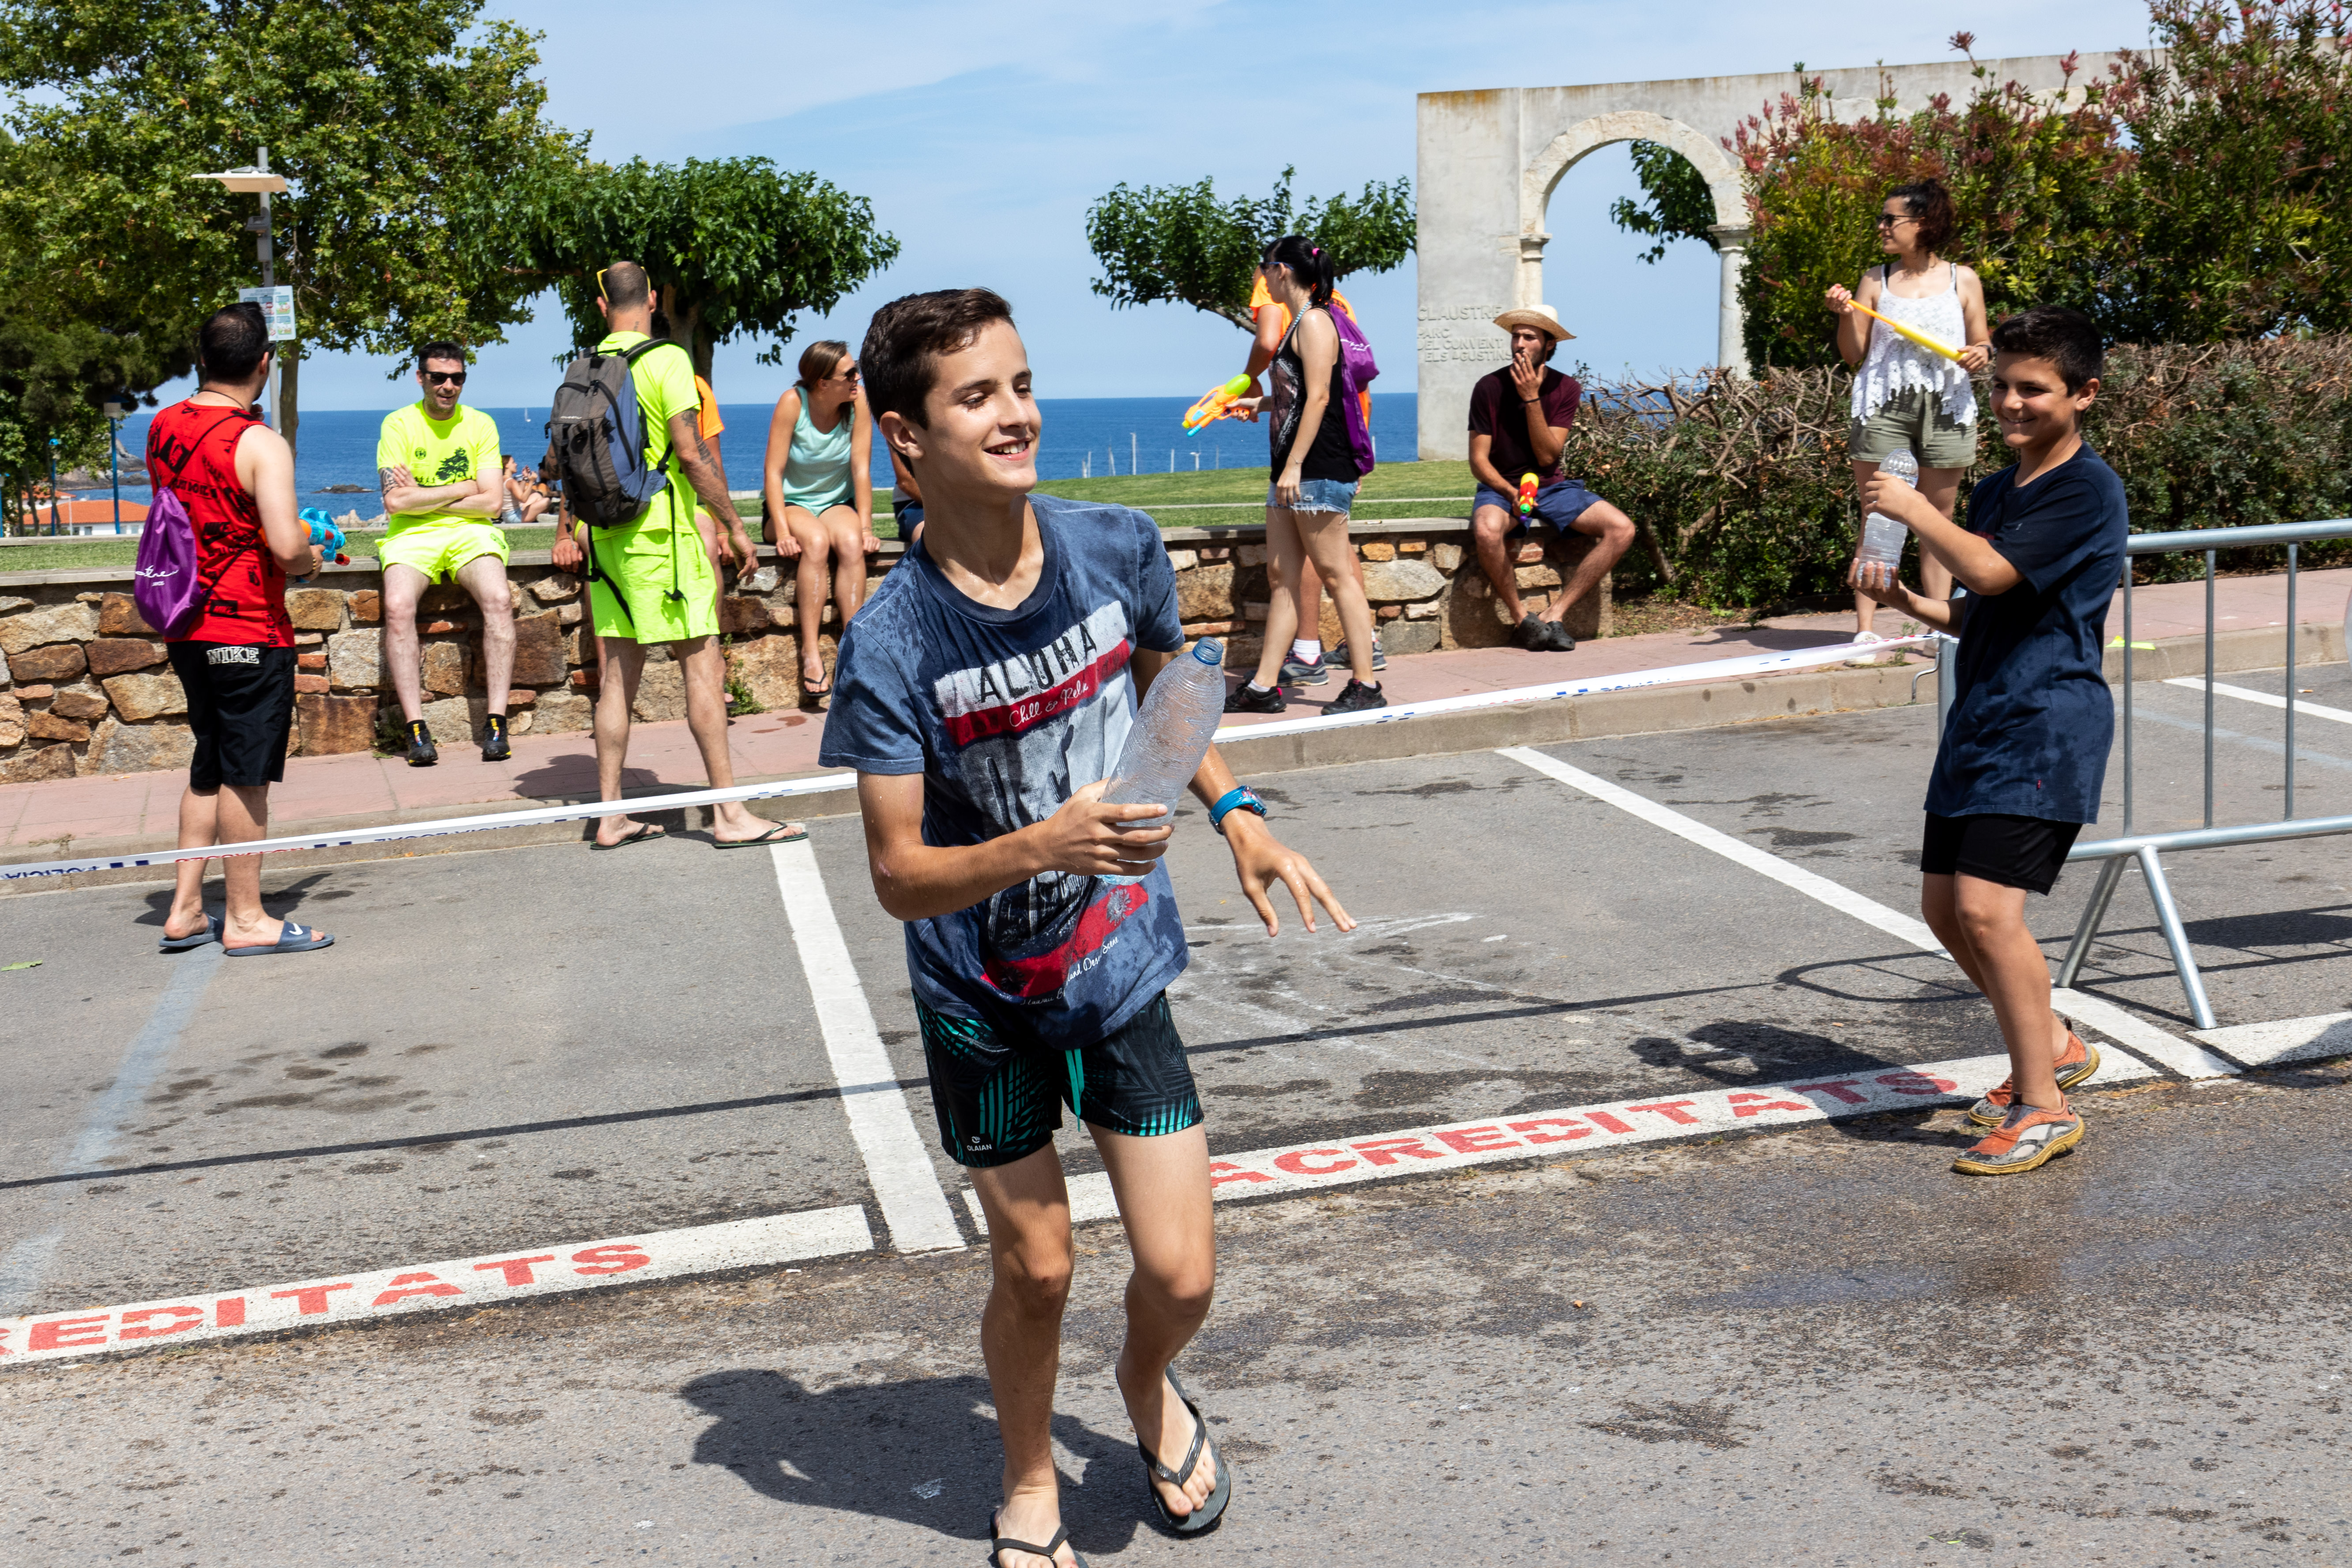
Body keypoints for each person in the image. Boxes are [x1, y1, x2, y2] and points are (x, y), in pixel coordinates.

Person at [822, 287, 1350, 1567]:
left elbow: (1170, 690)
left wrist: (1236, 810)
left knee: (1181, 1275)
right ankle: (1026, 1481)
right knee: (1039, 1268)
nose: (1017, 414)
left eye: (1020, 384)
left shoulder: (1115, 545)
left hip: (1117, 971)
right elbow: (898, 875)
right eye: (978, 396)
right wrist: (1042, 845)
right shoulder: (891, 643)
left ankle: (1142, 1380)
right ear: (907, 437)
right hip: (981, 1002)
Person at [1850, 305, 2122, 1176]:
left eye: (2031, 388)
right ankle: (2056, 1045)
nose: (2008, 402)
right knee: (1944, 908)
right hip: (1982, 718)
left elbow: (1994, 569)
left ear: (2082, 394)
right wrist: (1902, 601)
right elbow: (1977, 608)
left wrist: (1910, 507)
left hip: (2045, 724)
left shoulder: (2086, 490)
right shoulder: (2001, 489)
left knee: (1986, 911)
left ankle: (2042, 1106)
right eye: (2000, 385)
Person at [547, 261, 795, 851]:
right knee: (703, 668)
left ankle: (610, 816)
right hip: (665, 538)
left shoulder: (583, 367)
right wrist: (734, 526)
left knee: (616, 679)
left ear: (603, 306)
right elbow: (690, 453)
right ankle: (729, 813)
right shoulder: (668, 360)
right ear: (653, 300)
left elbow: (566, 465)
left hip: (607, 539)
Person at [152, 301, 335, 958]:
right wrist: (314, 555)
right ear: (264, 363)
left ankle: (183, 909)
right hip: (247, 627)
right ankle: (248, 918)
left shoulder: (163, 425)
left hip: (185, 623)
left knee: (209, 762)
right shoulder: (259, 443)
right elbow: (286, 548)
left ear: (202, 360)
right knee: (246, 774)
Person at [1827, 177, 1993, 659]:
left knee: (1937, 521)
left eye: (1889, 219)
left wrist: (1982, 352)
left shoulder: (1964, 280)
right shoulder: (1874, 280)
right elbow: (1853, 353)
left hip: (1946, 407)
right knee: (1877, 515)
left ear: (1922, 223)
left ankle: (1938, 628)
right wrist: (1844, 314)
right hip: (1884, 403)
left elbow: (1982, 339)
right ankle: (1865, 630)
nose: (1881, 226)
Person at [1221, 238, 1385, 716]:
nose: (1260, 276)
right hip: (1289, 470)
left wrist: (1294, 464)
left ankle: (1366, 684)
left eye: (1264, 266)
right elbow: (1297, 394)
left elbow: (1319, 399)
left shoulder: (1315, 320)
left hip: (1316, 468)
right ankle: (1264, 686)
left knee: (1336, 576)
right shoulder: (1298, 322)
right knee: (1282, 578)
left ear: (1283, 271)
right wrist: (1256, 403)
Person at [376, 341, 516, 764]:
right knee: (398, 606)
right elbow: (395, 502)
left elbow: (493, 504)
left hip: (471, 534)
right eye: (438, 377)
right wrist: (463, 487)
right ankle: (416, 728)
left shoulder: (481, 425)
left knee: (500, 599)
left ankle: (497, 722)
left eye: (457, 378)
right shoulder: (398, 424)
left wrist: (422, 495)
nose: (448, 386)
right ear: (421, 378)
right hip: (411, 535)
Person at [1464, 305, 1635, 651]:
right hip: (1502, 487)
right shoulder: (1488, 387)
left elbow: (1547, 457)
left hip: (1552, 487)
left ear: (1550, 344)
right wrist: (1509, 492)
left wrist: (1531, 398)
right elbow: (1478, 460)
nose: (1519, 344)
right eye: (1515, 336)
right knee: (1486, 530)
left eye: (1529, 337)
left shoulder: (1565, 388)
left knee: (1622, 529)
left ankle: (1554, 614)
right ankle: (1522, 619)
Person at [762, 340, 879, 706]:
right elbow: (773, 471)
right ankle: (811, 653)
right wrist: (782, 531)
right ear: (822, 383)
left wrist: (866, 527)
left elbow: (861, 469)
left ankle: (854, 648)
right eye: (850, 373)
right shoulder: (792, 403)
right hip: (790, 504)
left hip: (835, 502)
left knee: (850, 543)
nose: (857, 378)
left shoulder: (859, 404)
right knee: (814, 542)